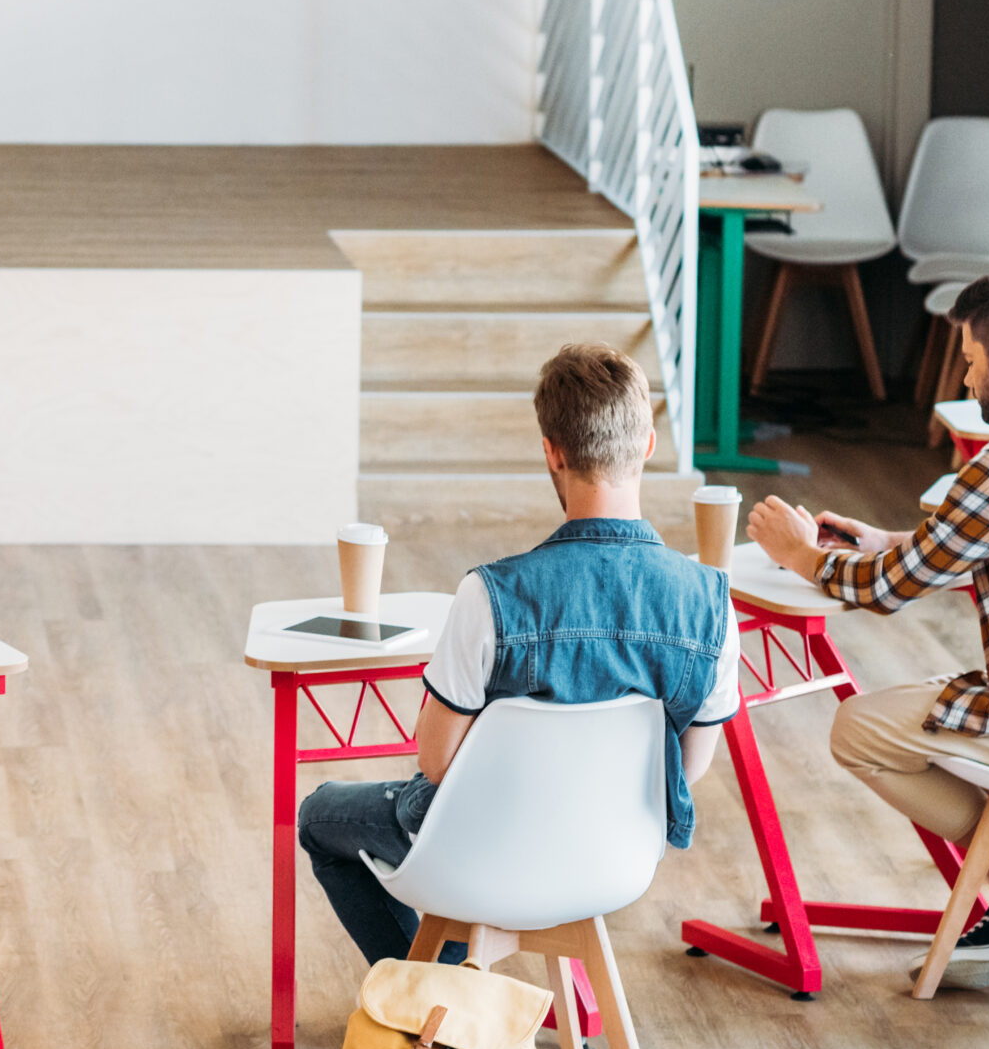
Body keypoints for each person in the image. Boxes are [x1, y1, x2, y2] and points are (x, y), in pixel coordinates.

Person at [748, 268, 989, 988]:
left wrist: (799, 555)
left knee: (856, 729)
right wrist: (889, 537)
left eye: (967, 361)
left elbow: (889, 592)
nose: (965, 382)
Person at [298, 344, 741, 963]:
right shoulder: (712, 604)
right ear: (647, 444)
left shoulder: (490, 595)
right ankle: (460, 1001)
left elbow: (435, 761)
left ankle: (440, 994)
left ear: (551, 451)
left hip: (485, 851)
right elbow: (689, 768)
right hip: (612, 861)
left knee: (318, 816)